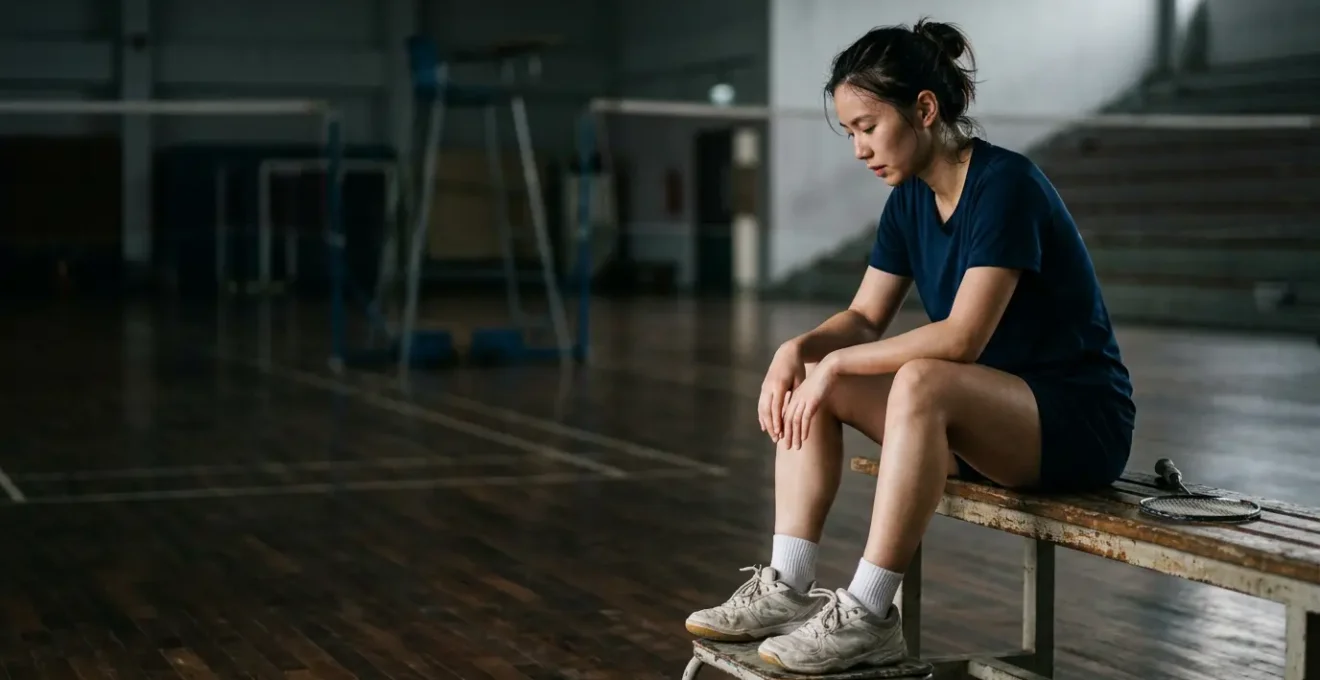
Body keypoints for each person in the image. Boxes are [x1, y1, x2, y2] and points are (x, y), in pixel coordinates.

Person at [684, 18, 1136, 674]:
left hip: (1073, 421)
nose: (860, 148)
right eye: (851, 134)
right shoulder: (908, 202)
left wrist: (835, 364)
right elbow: (866, 316)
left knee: (920, 377)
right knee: (821, 371)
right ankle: (786, 583)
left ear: (924, 109)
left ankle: (868, 616)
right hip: (983, 419)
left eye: (867, 127)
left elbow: (961, 337)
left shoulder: (1006, 186)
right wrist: (800, 350)